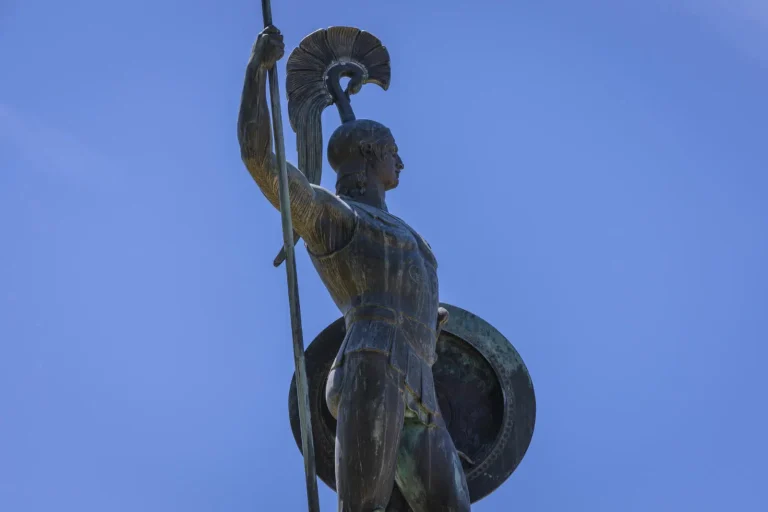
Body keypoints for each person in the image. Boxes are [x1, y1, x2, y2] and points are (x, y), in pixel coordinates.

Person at [238, 26, 471, 512]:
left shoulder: (407, 234)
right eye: (392, 151)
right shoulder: (335, 216)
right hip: (371, 362)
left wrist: (429, 320)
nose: (400, 162)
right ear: (369, 154)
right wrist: (257, 70)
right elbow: (259, 159)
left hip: (420, 382)